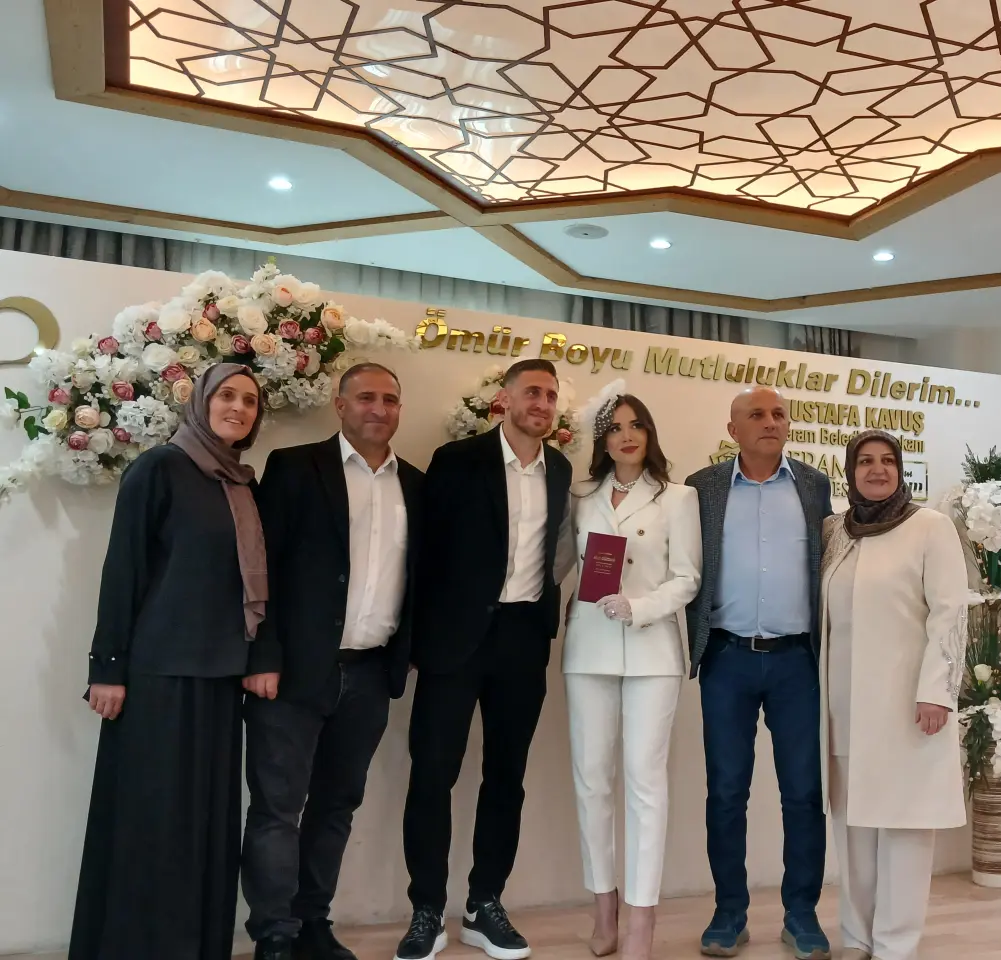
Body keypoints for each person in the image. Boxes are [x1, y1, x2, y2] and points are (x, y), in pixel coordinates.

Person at [67, 363, 267, 960]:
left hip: (220, 678)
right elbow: (122, 569)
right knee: (152, 822)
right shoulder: (159, 468)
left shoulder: (241, 484)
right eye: (226, 395)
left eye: (250, 401)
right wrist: (107, 668)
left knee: (202, 828)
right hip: (159, 678)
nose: (238, 408)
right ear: (200, 401)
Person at [240, 363, 423, 960]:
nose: (379, 409)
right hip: (290, 673)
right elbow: (261, 568)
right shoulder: (295, 467)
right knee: (277, 809)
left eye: (390, 400)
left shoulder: (416, 486)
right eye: (366, 397)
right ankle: (274, 935)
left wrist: (408, 653)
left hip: (369, 673)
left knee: (336, 806)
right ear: (340, 405)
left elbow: (421, 578)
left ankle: (312, 922)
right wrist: (262, 655)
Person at [396, 358, 575, 960]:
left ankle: (483, 904)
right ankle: (426, 909)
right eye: (533, 392)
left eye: (550, 395)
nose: (542, 404)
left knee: (506, 777)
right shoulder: (458, 460)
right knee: (432, 774)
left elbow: (556, 553)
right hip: (453, 642)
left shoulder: (560, 469)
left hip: (523, 641)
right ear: (505, 399)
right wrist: (416, 639)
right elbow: (424, 552)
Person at [683, 386, 832, 960]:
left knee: (803, 793)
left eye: (778, 414)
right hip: (727, 658)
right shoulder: (702, 487)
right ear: (733, 429)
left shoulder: (814, 485)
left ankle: (802, 915)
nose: (770, 422)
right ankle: (729, 913)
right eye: (756, 415)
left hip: (798, 661)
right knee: (726, 792)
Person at [562, 384, 702, 960]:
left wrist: (639, 607)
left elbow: (687, 577)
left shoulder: (678, 497)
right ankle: (605, 907)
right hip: (588, 649)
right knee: (592, 780)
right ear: (601, 440)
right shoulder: (579, 495)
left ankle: (642, 919)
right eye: (615, 427)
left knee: (645, 783)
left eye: (636, 424)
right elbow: (556, 564)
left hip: (652, 653)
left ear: (650, 433)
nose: (627, 435)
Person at [819, 430, 969, 960]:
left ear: (901, 470)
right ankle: (857, 938)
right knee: (853, 827)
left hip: (908, 705)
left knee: (905, 827)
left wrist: (937, 692)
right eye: (865, 461)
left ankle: (895, 945)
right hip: (844, 707)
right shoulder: (837, 532)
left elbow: (951, 613)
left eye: (887, 460)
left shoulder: (930, 527)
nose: (877, 469)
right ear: (850, 471)